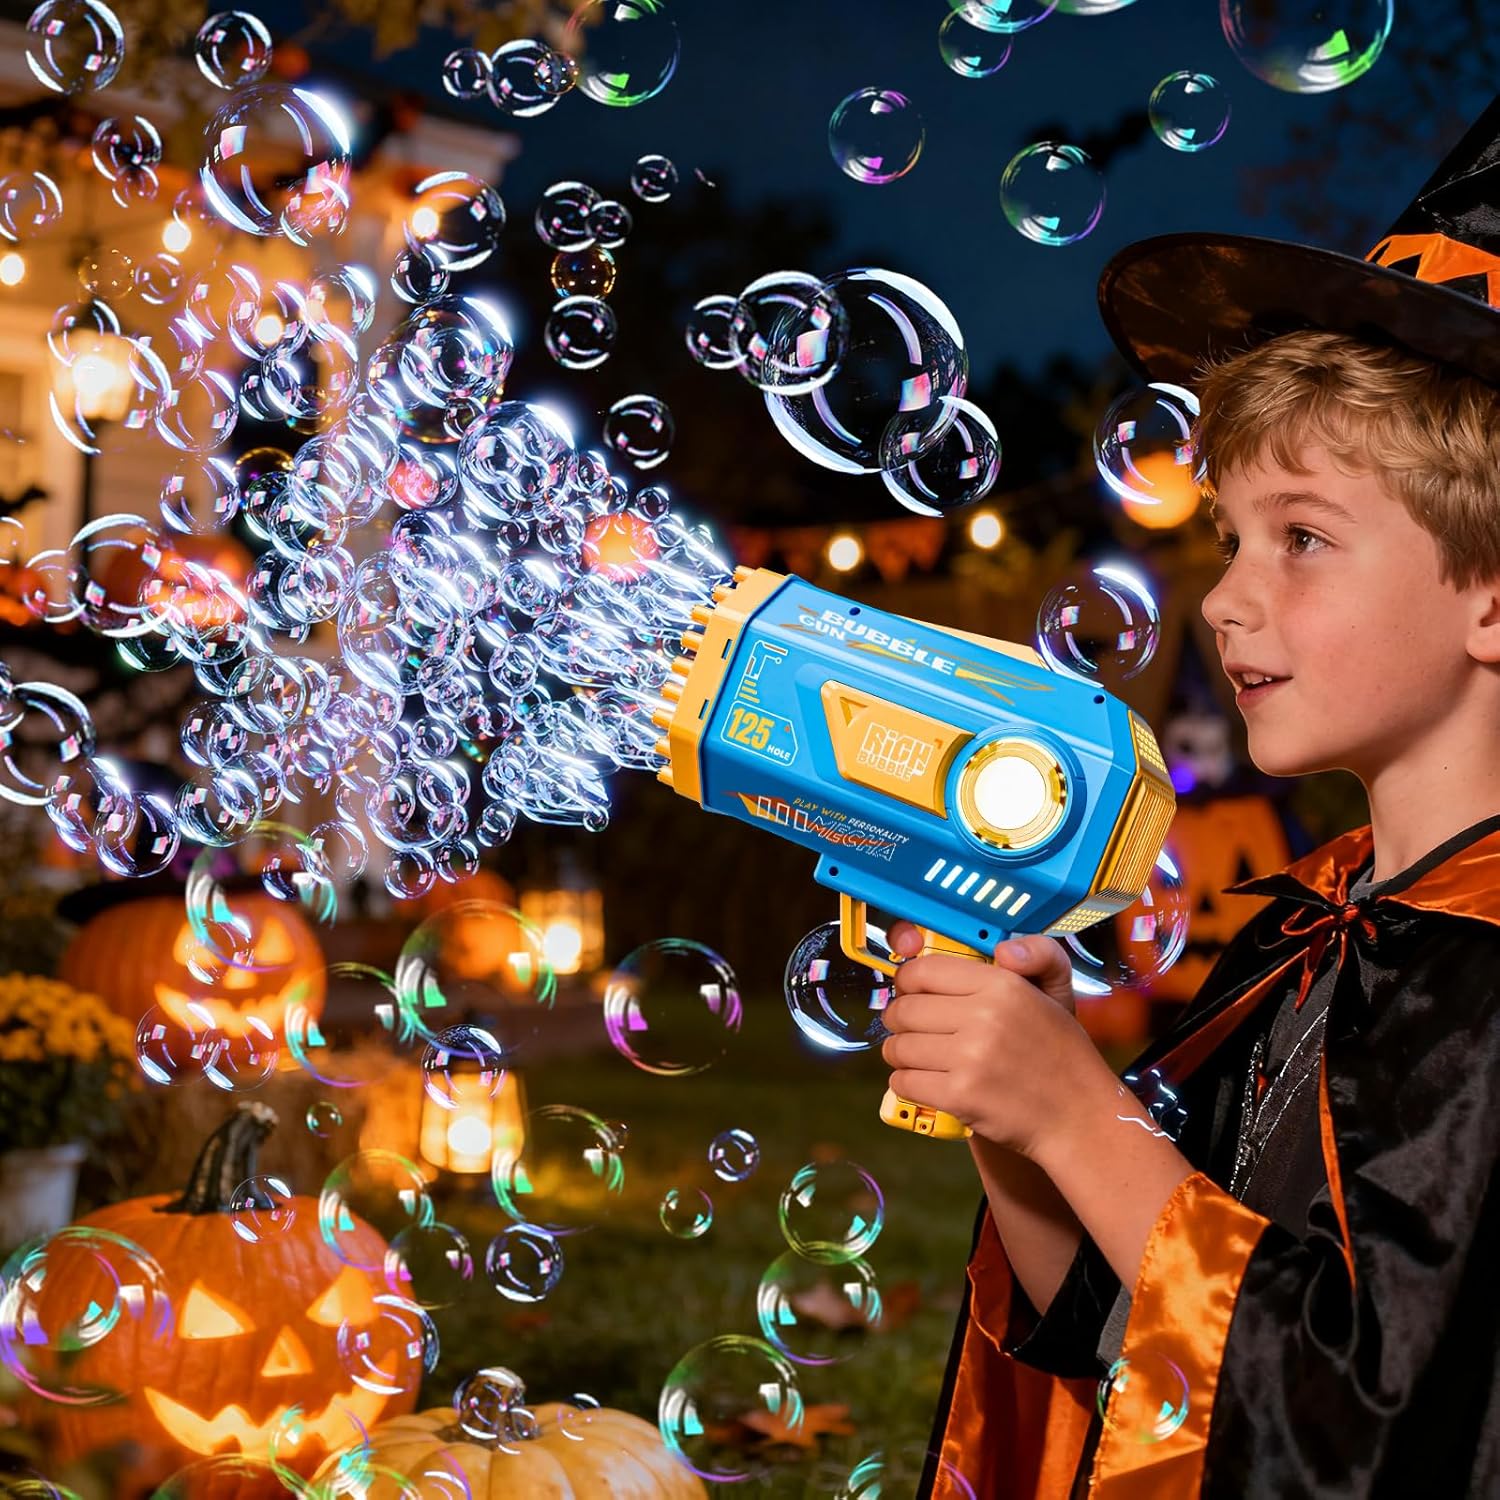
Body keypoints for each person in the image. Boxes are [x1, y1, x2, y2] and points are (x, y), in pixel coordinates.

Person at [890, 94, 1500, 1499]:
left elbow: (1366, 1433)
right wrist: (1020, 1109)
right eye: (1230, 538)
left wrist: (1076, 1118)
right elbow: (1127, 1336)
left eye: (1303, 538)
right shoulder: (1311, 935)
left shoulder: (1487, 975)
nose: (1223, 598)